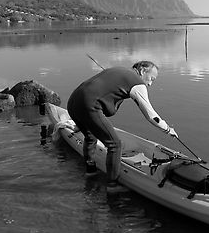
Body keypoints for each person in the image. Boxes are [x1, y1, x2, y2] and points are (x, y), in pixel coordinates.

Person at [67, 61, 178, 192]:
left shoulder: (118, 70)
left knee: (90, 137)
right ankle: (112, 185)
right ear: (142, 71)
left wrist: (82, 120)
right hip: (89, 105)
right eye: (151, 79)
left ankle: (90, 171)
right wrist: (167, 129)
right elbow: (151, 115)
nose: (150, 84)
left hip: (73, 102)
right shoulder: (137, 83)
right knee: (114, 144)